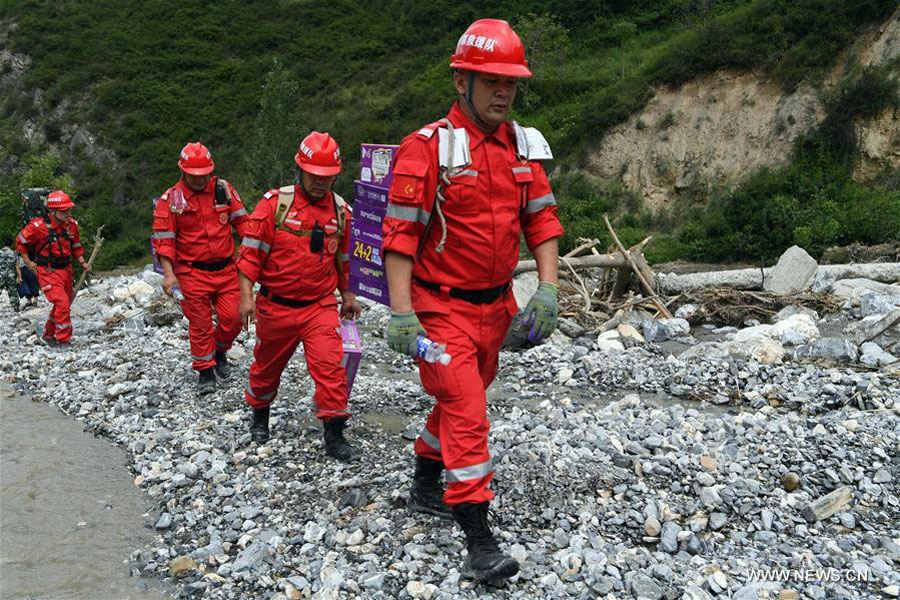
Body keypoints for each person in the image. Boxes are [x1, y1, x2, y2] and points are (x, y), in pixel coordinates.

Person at [382, 18, 564, 584]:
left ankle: (423, 477)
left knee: (467, 395)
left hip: (496, 308)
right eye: (490, 80)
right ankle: (478, 536)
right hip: (439, 309)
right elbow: (399, 235)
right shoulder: (428, 148)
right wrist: (401, 310)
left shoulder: (523, 146)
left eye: (510, 81)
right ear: (461, 80)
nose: (503, 92)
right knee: (468, 408)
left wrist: (550, 289)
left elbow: (543, 221)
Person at [236, 131, 361, 461]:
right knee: (266, 368)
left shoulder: (341, 212)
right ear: (300, 170)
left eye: (328, 177)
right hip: (275, 306)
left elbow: (344, 259)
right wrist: (246, 297)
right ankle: (259, 416)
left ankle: (334, 435)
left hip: (319, 306)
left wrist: (348, 295)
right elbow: (249, 254)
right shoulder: (275, 205)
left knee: (331, 368)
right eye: (315, 176)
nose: (321, 183)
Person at [151, 142, 249, 395]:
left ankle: (219, 349)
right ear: (183, 172)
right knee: (200, 323)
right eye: (195, 176)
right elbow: (164, 239)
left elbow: (244, 225)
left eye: (204, 174)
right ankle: (205, 370)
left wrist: (254, 259)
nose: (200, 179)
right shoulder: (171, 199)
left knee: (235, 318)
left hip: (227, 269)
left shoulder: (223, 190)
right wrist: (169, 274)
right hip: (191, 272)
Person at [16, 190, 91, 344]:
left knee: (62, 304)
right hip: (47, 271)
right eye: (64, 211)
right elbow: (21, 243)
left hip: (66, 270)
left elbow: (76, 246)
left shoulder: (71, 225)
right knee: (62, 303)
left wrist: (83, 263)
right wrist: (29, 263)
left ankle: (48, 334)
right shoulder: (38, 226)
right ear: (53, 210)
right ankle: (64, 340)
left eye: (69, 210)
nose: (68, 213)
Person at [1, 237, 21, 312]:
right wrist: (19, 277)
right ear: (11, 244)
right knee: (13, 291)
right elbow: (17, 266)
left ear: (4, 243)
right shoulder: (13, 253)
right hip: (11, 275)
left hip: (0, 275)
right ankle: (16, 307)